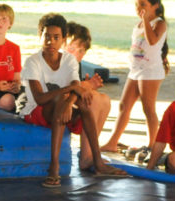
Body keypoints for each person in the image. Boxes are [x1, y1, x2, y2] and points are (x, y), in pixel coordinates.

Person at [19, 13, 127, 187]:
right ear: (40, 37)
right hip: (36, 111)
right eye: (46, 37)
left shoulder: (69, 60)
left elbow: (77, 87)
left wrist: (70, 101)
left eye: (56, 38)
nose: (50, 42)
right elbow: (39, 98)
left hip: (60, 111)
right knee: (61, 97)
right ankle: (53, 166)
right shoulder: (33, 62)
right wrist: (68, 92)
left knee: (83, 102)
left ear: (63, 40)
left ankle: (97, 161)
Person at [101, 0, 169, 161]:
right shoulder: (138, 24)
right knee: (124, 105)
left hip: (150, 72)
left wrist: (146, 20)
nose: (139, 9)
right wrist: (143, 20)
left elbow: (153, 41)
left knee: (148, 109)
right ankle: (112, 142)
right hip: (136, 71)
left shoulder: (159, 23)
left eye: (143, 5)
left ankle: (153, 145)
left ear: (155, 5)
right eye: (137, 5)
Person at [65, 22, 112, 171]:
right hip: (54, 108)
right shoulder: (56, 62)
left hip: (70, 107)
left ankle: (89, 152)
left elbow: (76, 90)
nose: (76, 54)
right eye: (71, 49)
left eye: (81, 51)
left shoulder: (75, 65)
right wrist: (85, 87)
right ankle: (86, 157)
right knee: (94, 99)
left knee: (104, 99)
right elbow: (66, 91)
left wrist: (87, 86)